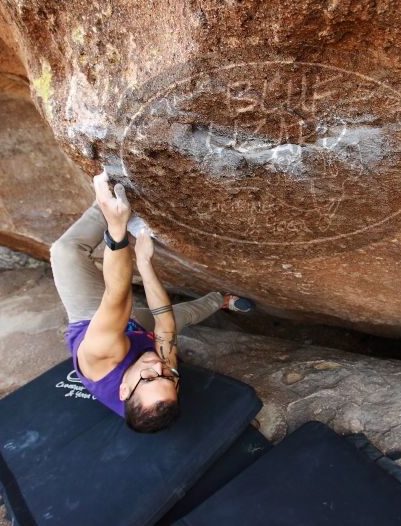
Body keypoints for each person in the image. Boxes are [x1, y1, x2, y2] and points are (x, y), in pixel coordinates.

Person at [50, 171, 254, 432]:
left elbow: (118, 296)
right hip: (137, 331)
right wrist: (144, 263)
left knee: (65, 252)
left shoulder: (101, 357)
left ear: (124, 390)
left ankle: (108, 203)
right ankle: (221, 300)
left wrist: (117, 229)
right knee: (184, 315)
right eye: (169, 376)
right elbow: (165, 324)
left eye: (150, 377)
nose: (159, 366)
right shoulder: (161, 379)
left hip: (94, 320)